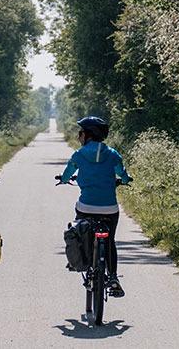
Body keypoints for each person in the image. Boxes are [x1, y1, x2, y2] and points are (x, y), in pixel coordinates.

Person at [58, 115, 130, 297]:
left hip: (86, 207)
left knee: (81, 232)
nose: (78, 136)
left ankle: (81, 261)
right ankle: (113, 277)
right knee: (110, 240)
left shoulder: (79, 155)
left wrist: (64, 179)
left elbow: (68, 173)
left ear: (89, 134)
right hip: (109, 208)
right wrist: (125, 180)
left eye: (80, 132)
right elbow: (122, 173)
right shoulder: (113, 154)